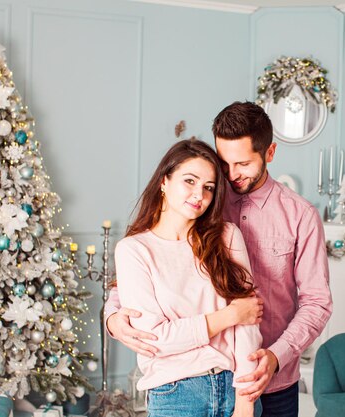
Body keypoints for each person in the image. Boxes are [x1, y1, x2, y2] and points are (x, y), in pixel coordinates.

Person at [106, 102, 332, 417]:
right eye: (224, 162)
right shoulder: (202, 201)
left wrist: (276, 356)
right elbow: (148, 266)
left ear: (269, 153)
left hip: (273, 380)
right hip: (197, 376)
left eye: (242, 163)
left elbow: (317, 303)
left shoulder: (300, 215)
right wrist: (112, 316)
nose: (231, 174)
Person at [113, 139, 263, 417]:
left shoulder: (227, 236)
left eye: (208, 187)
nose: (199, 195)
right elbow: (154, 338)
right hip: (176, 396)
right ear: (164, 182)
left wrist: (245, 400)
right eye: (189, 181)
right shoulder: (134, 250)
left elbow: (248, 324)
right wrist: (228, 316)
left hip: (234, 388)